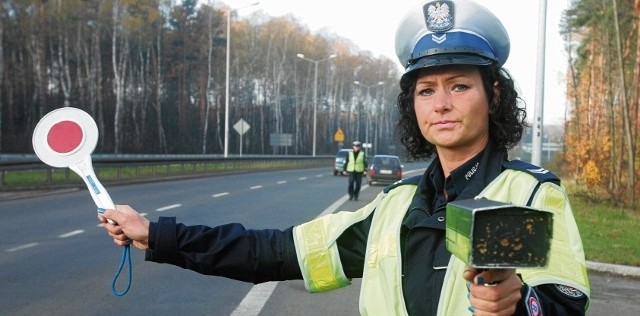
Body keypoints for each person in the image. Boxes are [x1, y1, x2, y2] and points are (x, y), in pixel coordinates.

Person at [99, 0, 590, 315]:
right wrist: (158, 234)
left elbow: (565, 301)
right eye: (425, 90)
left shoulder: (531, 194)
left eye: (460, 86)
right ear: (411, 104)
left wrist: (518, 303)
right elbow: (273, 252)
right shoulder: (393, 205)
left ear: (494, 97)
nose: (441, 103)